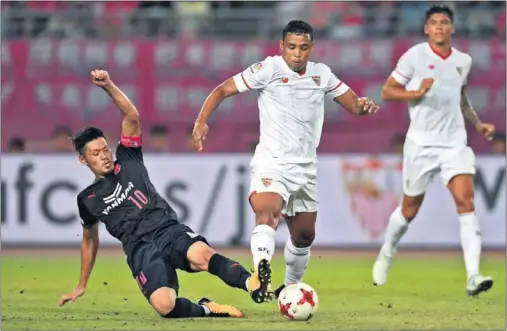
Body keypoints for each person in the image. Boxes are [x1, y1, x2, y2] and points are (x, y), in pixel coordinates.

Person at [58, 70, 273, 319]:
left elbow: (131, 116)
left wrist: (108, 85)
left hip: (166, 229)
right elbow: (89, 240)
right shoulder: (88, 200)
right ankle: (207, 308)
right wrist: (82, 284)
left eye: (105, 149)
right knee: (164, 306)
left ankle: (252, 284)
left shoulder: (128, 158)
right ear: (83, 160)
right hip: (140, 249)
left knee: (202, 255)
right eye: (95, 153)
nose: (104, 155)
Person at [192, 20, 379, 297]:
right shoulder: (267, 69)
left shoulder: (322, 74)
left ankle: (290, 289)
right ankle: (261, 271)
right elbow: (222, 89)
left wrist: (363, 106)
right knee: (268, 211)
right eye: (291, 47)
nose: (297, 53)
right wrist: (201, 121)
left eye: (303, 48)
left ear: (312, 48)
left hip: (305, 168)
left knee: (304, 236)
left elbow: (353, 104)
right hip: (273, 161)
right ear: (282, 46)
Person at [373, 5, 496, 296]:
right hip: (421, 145)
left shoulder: (463, 61)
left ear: (452, 28)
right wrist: (415, 93)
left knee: (466, 202)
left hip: (454, 144)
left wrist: (478, 125)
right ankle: (387, 252)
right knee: (409, 210)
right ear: (426, 28)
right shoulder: (414, 56)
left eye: (444, 22)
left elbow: (461, 97)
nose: (439, 27)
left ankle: (473, 276)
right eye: (434, 23)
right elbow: (387, 91)